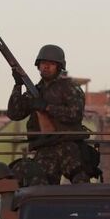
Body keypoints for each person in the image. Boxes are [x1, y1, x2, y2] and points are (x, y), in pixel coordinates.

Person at [7, 44, 93, 185]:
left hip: (68, 146)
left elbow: (75, 114)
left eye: (51, 64)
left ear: (59, 67)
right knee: (42, 188)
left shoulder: (69, 87)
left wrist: (47, 107)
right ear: (38, 66)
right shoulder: (35, 91)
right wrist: (18, 85)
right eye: (43, 63)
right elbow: (14, 113)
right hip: (45, 148)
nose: (46, 66)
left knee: (81, 182)